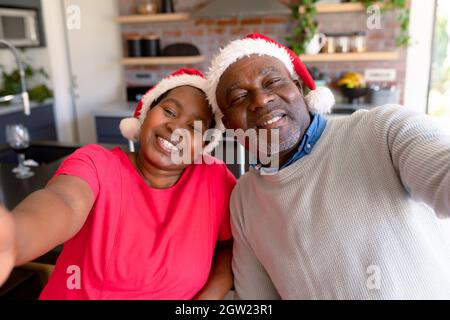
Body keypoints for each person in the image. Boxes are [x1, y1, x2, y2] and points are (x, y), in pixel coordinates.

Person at [205, 33, 450, 299]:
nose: (261, 100)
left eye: (273, 81)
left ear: (298, 88)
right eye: (239, 96)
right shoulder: (243, 200)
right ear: (228, 125)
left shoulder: (382, 130)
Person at [0, 68, 236, 300]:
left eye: (194, 127)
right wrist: (14, 238)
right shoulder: (96, 163)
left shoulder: (213, 178)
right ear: (145, 116)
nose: (176, 128)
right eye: (170, 111)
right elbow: (65, 201)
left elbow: (229, 247)